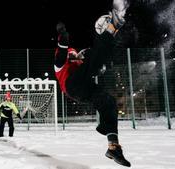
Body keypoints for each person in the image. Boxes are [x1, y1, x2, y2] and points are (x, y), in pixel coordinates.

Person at [54, 0, 131, 167]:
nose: (77, 55)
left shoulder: (82, 64)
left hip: (83, 88)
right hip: (71, 84)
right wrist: (63, 36)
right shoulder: (60, 64)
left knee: (108, 102)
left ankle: (113, 147)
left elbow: (92, 61)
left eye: (77, 53)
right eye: (73, 54)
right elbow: (62, 52)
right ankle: (112, 27)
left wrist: (96, 64)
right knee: (95, 56)